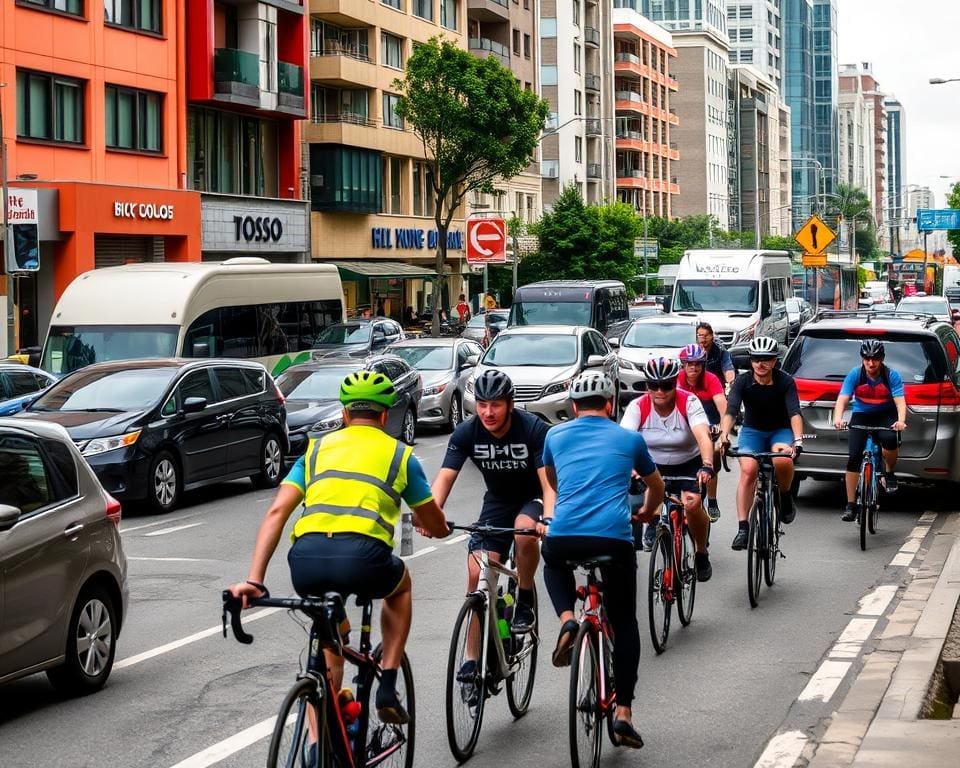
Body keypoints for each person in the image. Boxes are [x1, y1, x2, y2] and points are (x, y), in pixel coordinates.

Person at [229, 371, 451, 725]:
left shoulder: (316, 450)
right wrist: (435, 527)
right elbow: (435, 523)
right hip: (365, 559)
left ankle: (321, 747)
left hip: (306, 561)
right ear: (384, 416)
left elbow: (276, 512)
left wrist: (255, 580)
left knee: (328, 639)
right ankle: (388, 683)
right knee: (401, 587)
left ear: (345, 415)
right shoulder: (400, 455)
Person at [539, 371, 664, 749]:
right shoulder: (629, 438)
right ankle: (623, 711)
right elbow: (655, 485)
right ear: (611, 405)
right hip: (613, 537)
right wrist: (646, 511)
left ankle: (566, 621)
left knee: (552, 562)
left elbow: (552, 477)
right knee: (624, 620)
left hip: (564, 534)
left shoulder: (554, 435)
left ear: (573, 407)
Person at [431, 370, 555, 635]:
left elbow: (548, 484)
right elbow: (444, 479)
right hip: (498, 501)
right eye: (482, 404)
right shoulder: (466, 433)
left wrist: (548, 518)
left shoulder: (533, 429)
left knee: (524, 531)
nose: (488, 412)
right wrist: (429, 514)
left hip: (533, 496)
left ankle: (524, 597)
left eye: (496, 405)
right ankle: (471, 663)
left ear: (510, 405)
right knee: (477, 579)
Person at [620, 357, 715, 581]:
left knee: (692, 503)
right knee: (645, 496)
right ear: (647, 387)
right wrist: (629, 467)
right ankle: (654, 522)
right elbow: (624, 441)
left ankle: (701, 552)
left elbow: (703, 435)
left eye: (666, 386)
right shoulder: (638, 406)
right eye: (654, 386)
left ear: (675, 384)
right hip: (652, 465)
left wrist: (707, 465)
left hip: (688, 462)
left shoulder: (688, 402)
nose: (659, 391)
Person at [719, 336, 803, 551]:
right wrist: (724, 436)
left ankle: (784, 496)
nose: (761, 363)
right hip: (752, 431)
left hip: (780, 431)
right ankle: (743, 528)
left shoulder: (785, 381)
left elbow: (794, 412)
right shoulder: (742, 382)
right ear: (751, 361)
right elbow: (731, 411)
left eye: (766, 359)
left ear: (775, 361)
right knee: (748, 469)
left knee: (783, 459)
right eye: (756, 359)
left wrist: (798, 440)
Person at [832, 339, 907, 521]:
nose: (871, 363)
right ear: (862, 358)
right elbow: (843, 399)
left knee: (889, 439)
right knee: (854, 457)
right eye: (867, 359)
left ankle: (889, 472)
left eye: (875, 359)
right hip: (862, 414)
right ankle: (850, 505)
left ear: (881, 359)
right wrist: (838, 418)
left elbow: (900, 402)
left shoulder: (891, 376)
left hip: (885, 414)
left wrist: (901, 421)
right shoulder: (855, 374)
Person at [677, 342, 727, 521]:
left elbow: (722, 406)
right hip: (685, 426)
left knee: (712, 453)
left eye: (698, 364)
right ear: (683, 364)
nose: (694, 367)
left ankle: (712, 501)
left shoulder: (711, 379)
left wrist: (723, 431)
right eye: (689, 363)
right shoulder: (677, 379)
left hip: (710, 425)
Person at [697, 322, 736, 388]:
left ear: (712, 336)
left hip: (717, 388)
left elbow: (728, 369)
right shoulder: (692, 352)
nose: (703, 339)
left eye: (706, 336)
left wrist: (730, 383)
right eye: (700, 336)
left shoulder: (721, 352)